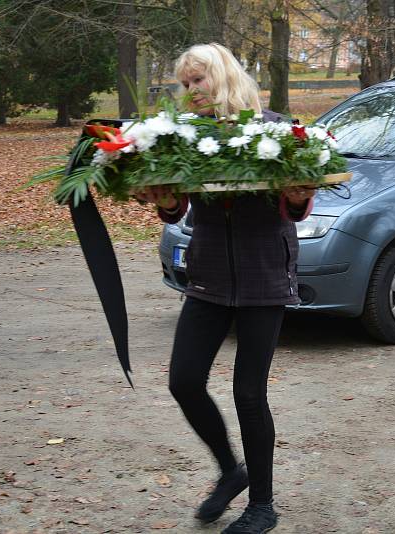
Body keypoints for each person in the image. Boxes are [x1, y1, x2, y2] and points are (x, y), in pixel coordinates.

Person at [135, 43, 315, 534]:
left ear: (225, 77)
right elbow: (177, 208)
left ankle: (263, 505)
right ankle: (230, 470)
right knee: (184, 381)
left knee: (248, 394)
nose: (192, 91)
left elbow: (297, 206)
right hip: (209, 273)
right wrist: (165, 200)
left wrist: (298, 197)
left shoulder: (274, 129)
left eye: (200, 80)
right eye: (186, 84)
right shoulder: (183, 138)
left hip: (262, 274)